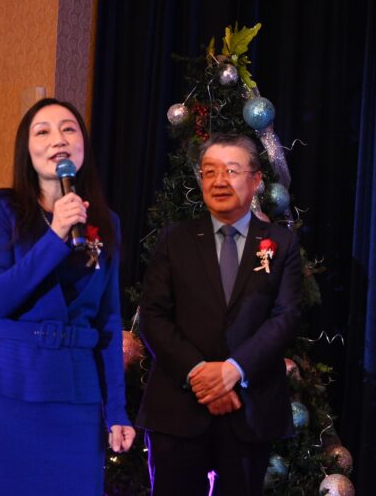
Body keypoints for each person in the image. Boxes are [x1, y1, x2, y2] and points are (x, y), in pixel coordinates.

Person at [0, 97, 135, 495]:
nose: (58, 139)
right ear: (27, 149)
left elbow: (108, 320)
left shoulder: (106, 222)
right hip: (12, 387)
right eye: (43, 131)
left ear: (83, 145)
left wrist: (117, 409)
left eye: (69, 129)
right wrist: (56, 233)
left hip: (76, 394)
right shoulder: (0, 208)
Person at [136, 133, 303, 495]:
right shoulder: (174, 239)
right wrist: (199, 373)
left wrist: (233, 370)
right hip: (178, 407)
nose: (219, 181)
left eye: (231, 170)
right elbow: (153, 315)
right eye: (209, 171)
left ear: (256, 180)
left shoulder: (281, 243)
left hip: (249, 407)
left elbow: (286, 316)